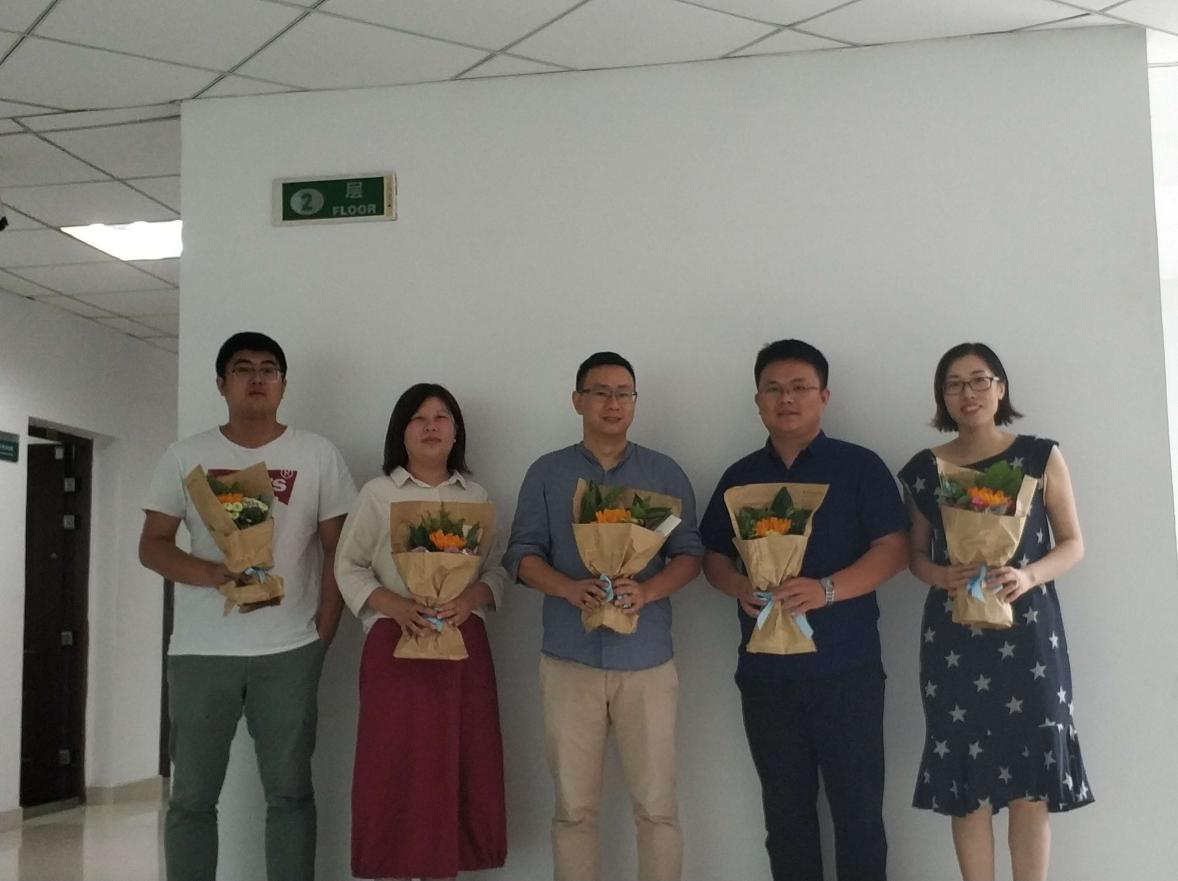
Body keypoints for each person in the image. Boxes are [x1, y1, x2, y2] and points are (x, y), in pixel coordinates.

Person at [139, 331, 356, 881]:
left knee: (290, 794)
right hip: (200, 650)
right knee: (191, 797)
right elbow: (153, 546)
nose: (257, 378)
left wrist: (323, 631)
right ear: (221, 383)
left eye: (268, 369)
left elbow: (341, 550)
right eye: (242, 369)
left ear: (283, 384)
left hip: (290, 648)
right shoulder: (185, 454)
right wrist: (213, 574)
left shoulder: (317, 454)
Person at [700, 338, 908, 881]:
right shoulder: (740, 476)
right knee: (785, 818)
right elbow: (712, 556)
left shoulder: (859, 467)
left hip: (847, 671)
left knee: (859, 815)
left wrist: (828, 590)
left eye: (799, 387)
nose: (786, 399)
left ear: (824, 396)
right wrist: (737, 585)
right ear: (757, 401)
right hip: (766, 675)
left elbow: (894, 549)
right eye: (773, 389)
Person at [504, 351, 703, 881]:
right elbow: (520, 555)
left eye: (624, 394)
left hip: (647, 661)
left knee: (657, 808)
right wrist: (568, 588)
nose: (613, 404)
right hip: (568, 661)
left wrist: (649, 590)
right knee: (574, 810)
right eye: (600, 392)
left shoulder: (664, 472)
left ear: (635, 402)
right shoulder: (547, 472)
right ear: (578, 401)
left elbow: (690, 555)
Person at [899, 342, 1092, 881]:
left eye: (979, 380)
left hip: (1030, 635)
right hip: (954, 638)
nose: (968, 393)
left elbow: (1073, 544)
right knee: (967, 785)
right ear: (942, 397)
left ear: (1000, 388)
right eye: (954, 384)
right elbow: (914, 556)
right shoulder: (924, 470)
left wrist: (1028, 576)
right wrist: (941, 575)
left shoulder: (1040, 457)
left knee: (1033, 783)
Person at [335, 383, 508, 881]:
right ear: (401, 431)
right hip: (395, 644)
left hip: (461, 645)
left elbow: (497, 569)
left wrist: (470, 600)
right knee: (395, 765)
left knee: (458, 762)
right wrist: (394, 606)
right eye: (419, 418)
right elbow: (347, 566)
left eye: (441, 417)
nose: (431, 426)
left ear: (456, 432)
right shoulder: (378, 494)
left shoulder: (476, 497)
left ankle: (445, 867)